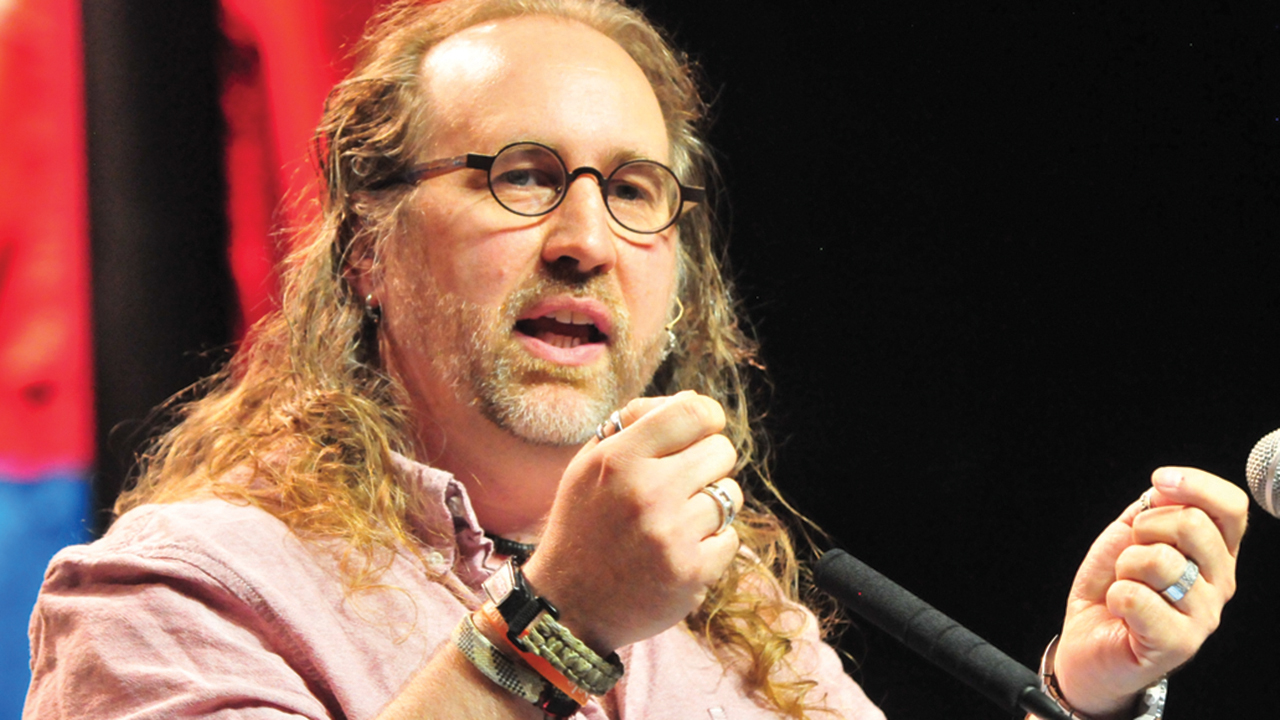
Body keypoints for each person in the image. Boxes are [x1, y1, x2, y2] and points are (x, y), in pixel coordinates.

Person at [24, 0, 1247, 718]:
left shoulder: (735, 623)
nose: (582, 242)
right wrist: (553, 629)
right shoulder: (180, 590)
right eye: (519, 176)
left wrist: (1078, 689)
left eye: (632, 192)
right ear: (366, 252)